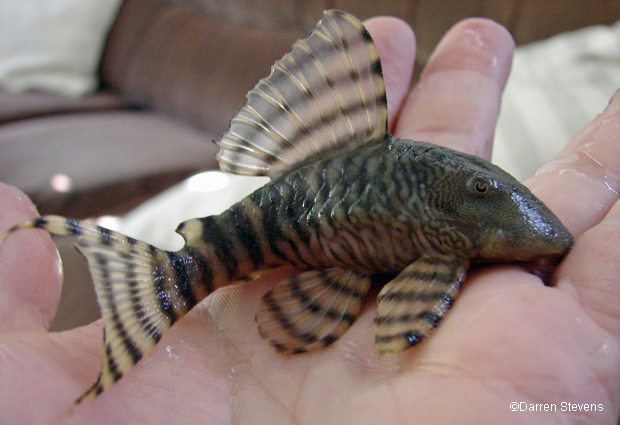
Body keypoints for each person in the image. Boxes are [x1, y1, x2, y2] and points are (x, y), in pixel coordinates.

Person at [1, 15, 619, 425]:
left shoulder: (456, 231)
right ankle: (171, 279)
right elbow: (411, 307)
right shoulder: (444, 227)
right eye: (484, 192)